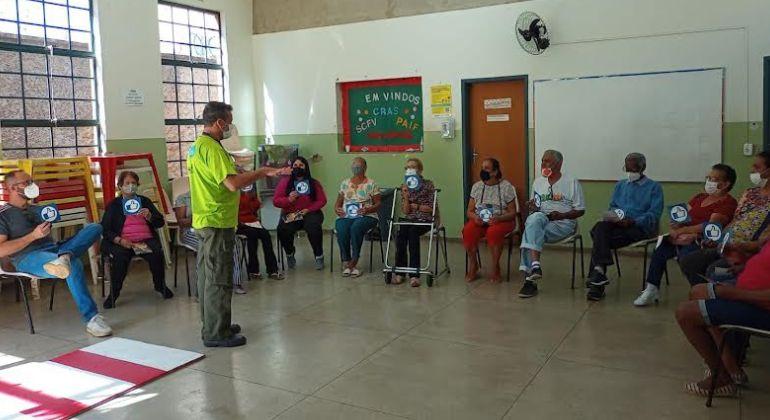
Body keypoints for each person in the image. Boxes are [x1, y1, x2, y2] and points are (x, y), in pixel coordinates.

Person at [188, 101, 287, 348]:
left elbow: (220, 176)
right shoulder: (211, 148)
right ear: (219, 122)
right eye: (229, 123)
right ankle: (216, 333)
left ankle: (214, 323)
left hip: (204, 218)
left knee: (207, 276)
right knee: (218, 277)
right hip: (216, 220)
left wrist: (240, 169)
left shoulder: (198, 146)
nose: (230, 128)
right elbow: (232, 183)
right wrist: (262, 172)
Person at [0, 170, 111, 337]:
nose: (32, 186)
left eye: (32, 181)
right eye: (27, 182)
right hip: (28, 257)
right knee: (73, 264)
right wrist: (33, 236)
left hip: (55, 248)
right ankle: (92, 319)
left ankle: (64, 256)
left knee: (95, 227)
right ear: (12, 188)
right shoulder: (3, 215)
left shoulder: (37, 209)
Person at [675, 239, 770, 397]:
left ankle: (722, 378)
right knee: (698, 290)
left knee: (685, 313)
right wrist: (744, 266)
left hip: (761, 307)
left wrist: (729, 293)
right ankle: (729, 367)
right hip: (744, 286)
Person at [634, 164, 738, 306]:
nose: (709, 182)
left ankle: (701, 292)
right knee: (660, 248)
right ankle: (651, 288)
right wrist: (675, 225)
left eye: (713, 179)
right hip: (682, 237)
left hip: (702, 241)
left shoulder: (728, 202)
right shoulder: (700, 197)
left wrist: (683, 232)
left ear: (725, 184)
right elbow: (683, 216)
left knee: (688, 256)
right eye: (708, 178)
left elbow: (709, 226)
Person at [679, 152, 770, 286]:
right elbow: (736, 220)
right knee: (689, 262)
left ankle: (718, 296)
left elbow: (765, 241)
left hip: (746, 250)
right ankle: (706, 296)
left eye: (757, 167)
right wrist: (719, 238)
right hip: (726, 244)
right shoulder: (750, 193)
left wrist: (742, 247)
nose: (752, 171)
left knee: (715, 271)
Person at [587, 152, 663, 301]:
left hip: (639, 228)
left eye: (634, 169)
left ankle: (597, 278)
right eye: (627, 169)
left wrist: (633, 221)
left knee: (599, 236)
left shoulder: (654, 187)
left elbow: (654, 215)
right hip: (618, 224)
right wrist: (616, 217)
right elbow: (613, 206)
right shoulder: (620, 185)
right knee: (600, 227)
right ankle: (599, 273)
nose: (630, 173)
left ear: (643, 168)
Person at [518, 150, 585, 298]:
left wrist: (563, 215)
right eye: (542, 161)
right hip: (542, 220)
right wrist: (533, 206)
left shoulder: (571, 182)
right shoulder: (538, 182)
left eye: (547, 161)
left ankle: (530, 280)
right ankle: (534, 269)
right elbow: (536, 206)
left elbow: (580, 210)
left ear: (559, 163)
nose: (543, 164)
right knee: (534, 221)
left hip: (563, 223)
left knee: (530, 228)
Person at [101, 171, 171, 308]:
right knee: (120, 259)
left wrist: (150, 216)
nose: (130, 186)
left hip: (145, 240)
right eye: (127, 183)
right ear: (120, 186)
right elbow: (105, 229)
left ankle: (160, 286)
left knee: (156, 253)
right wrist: (119, 240)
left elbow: (160, 222)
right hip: (122, 242)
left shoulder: (144, 201)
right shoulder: (114, 205)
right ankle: (114, 294)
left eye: (133, 183)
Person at [463, 158, 519, 283]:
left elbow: (512, 212)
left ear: (495, 172)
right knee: (468, 231)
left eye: (486, 168)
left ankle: (495, 267)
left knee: (493, 232)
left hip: (501, 220)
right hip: (480, 220)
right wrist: (475, 217)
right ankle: (473, 264)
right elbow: (469, 211)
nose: (483, 171)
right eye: (482, 168)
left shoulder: (506, 187)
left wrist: (499, 218)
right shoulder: (477, 186)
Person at [274, 156, 328, 270]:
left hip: (310, 213)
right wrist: (288, 200)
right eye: (295, 166)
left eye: (301, 165)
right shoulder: (285, 182)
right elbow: (276, 201)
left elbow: (322, 200)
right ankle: (289, 253)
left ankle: (319, 256)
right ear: (292, 168)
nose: (298, 167)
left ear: (306, 167)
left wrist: (309, 209)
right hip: (292, 214)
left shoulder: (314, 183)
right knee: (283, 229)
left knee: (313, 227)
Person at [333, 157, 381, 277]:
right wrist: (337, 209)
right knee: (341, 226)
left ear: (365, 168)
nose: (356, 167)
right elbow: (338, 203)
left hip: (367, 215)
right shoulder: (345, 183)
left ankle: (354, 260)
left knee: (356, 227)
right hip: (347, 215)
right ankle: (346, 260)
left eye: (358, 165)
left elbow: (378, 204)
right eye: (354, 165)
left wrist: (368, 209)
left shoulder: (371, 183)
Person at [394, 158, 438, 287]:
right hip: (410, 219)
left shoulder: (428, 184)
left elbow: (431, 208)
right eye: (407, 167)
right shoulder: (405, 186)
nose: (410, 169)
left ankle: (414, 275)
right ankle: (400, 272)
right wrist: (406, 197)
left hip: (425, 219)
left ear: (420, 169)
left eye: (413, 167)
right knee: (401, 234)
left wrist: (417, 207)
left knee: (413, 233)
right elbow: (406, 211)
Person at [237, 185, 283, 282]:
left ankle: (272, 270)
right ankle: (253, 270)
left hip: (253, 221)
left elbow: (255, 207)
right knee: (252, 235)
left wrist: (252, 198)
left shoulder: (251, 195)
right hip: (240, 223)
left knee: (266, 235)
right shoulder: (236, 195)